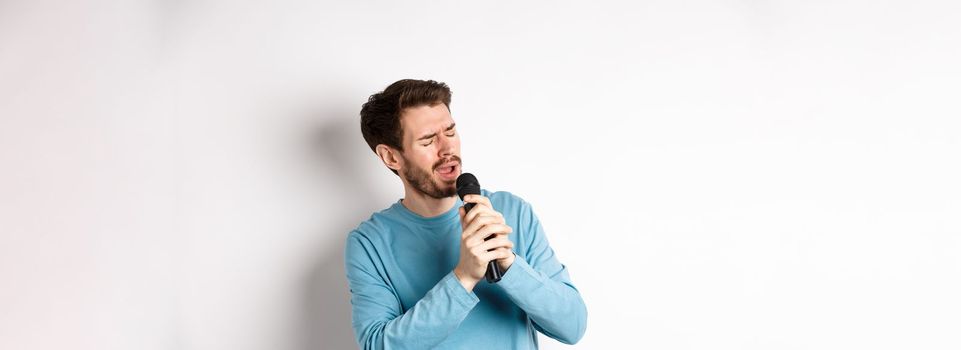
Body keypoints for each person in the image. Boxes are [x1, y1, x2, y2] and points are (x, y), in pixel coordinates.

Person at [345, 79, 587, 349]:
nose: (447, 149)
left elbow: (572, 326)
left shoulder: (511, 212)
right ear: (391, 157)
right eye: (428, 140)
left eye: (450, 131)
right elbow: (378, 345)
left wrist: (510, 266)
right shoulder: (369, 243)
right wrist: (464, 277)